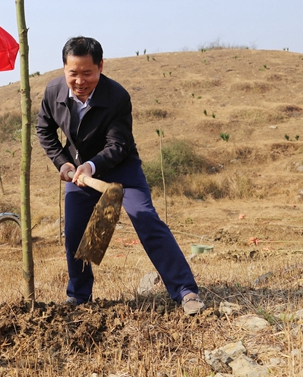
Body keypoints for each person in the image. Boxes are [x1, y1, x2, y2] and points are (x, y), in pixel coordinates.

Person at [36, 36, 205, 315]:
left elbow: (119, 145)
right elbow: (44, 131)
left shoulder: (116, 96)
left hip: (121, 167)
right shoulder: (53, 92)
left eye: (87, 73)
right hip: (79, 171)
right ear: (64, 68)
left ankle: (185, 290)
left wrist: (92, 165)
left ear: (100, 67)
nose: (80, 81)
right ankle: (79, 295)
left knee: (145, 218)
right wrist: (63, 163)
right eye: (73, 73)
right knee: (77, 233)